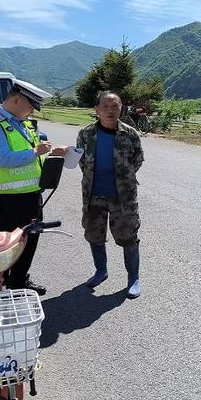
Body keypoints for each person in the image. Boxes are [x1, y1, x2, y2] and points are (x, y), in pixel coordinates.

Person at [0, 79, 66, 296]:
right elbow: (1, 159)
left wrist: (51, 153)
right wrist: (35, 152)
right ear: (17, 100)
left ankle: (19, 280)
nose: (32, 110)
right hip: (7, 198)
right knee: (5, 245)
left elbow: (32, 157)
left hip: (31, 195)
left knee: (30, 240)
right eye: (31, 105)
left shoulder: (22, 123)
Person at [76, 91, 144, 299]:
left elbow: (137, 160)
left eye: (115, 106)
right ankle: (101, 271)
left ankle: (133, 278)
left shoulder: (130, 134)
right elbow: (81, 161)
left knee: (128, 238)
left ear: (121, 108)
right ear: (96, 110)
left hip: (122, 198)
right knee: (94, 236)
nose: (110, 111)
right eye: (105, 106)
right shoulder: (85, 134)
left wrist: (123, 180)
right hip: (93, 195)